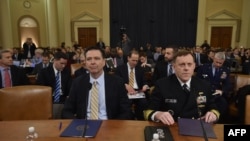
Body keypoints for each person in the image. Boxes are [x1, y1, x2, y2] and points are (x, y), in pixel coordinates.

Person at [144, 50, 220, 125]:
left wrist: (213, 114)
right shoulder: (162, 84)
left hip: (196, 128)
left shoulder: (204, 85)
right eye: (182, 64)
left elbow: (214, 108)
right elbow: (148, 112)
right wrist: (157, 115)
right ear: (174, 67)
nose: (186, 68)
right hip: (171, 127)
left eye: (189, 64)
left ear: (194, 66)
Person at [62, 46, 133, 120]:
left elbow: (126, 111)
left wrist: (114, 125)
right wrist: (78, 124)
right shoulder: (78, 82)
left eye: (97, 58)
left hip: (110, 125)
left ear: (104, 62)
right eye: (89, 59)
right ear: (85, 63)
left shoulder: (117, 82)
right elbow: (67, 111)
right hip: (84, 126)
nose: (92, 62)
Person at [36, 51, 72, 119]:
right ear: (55, 61)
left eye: (65, 64)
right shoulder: (44, 72)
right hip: (49, 98)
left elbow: (70, 87)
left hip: (63, 99)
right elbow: (40, 88)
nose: (63, 66)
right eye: (61, 63)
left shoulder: (67, 71)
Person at [115, 50, 149, 120]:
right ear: (128, 58)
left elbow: (144, 81)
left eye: (136, 61)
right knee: (126, 104)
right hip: (125, 92)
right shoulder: (120, 68)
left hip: (138, 92)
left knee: (143, 103)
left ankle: (139, 120)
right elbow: (116, 82)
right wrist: (124, 85)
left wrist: (145, 85)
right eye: (133, 60)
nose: (135, 63)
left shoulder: (140, 69)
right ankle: (130, 119)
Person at [196, 52, 230, 119]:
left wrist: (222, 91)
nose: (218, 64)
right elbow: (197, 81)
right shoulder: (204, 67)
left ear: (223, 62)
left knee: (223, 103)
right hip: (204, 93)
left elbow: (227, 84)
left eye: (220, 63)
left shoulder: (225, 70)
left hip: (216, 94)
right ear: (213, 58)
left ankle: (216, 121)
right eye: (216, 62)